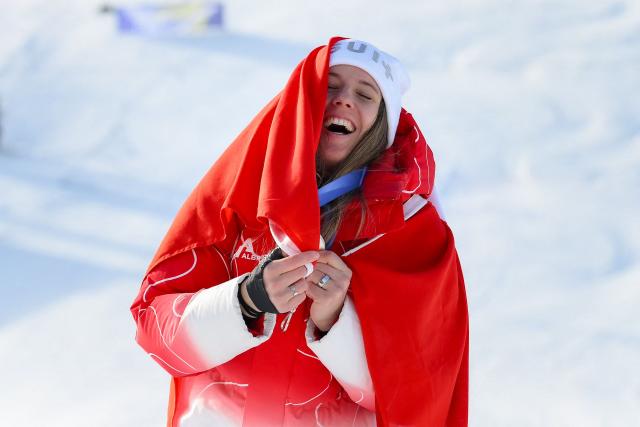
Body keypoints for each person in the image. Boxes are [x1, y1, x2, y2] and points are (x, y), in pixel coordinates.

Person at [131, 37, 469, 427]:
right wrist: (245, 300)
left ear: (381, 124)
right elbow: (154, 334)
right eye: (330, 85)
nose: (344, 99)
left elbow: (420, 396)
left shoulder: (409, 232)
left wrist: (334, 320)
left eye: (366, 94)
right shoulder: (238, 196)